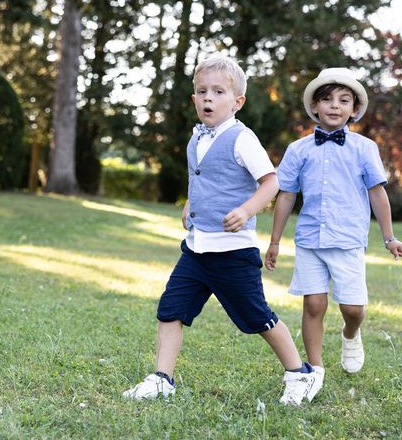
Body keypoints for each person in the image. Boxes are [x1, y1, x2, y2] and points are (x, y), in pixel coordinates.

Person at [123, 56, 316, 406]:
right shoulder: (197, 138)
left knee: (257, 316)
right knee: (171, 309)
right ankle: (162, 378)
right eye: (202, 91)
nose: (208, 98)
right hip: (196, 250)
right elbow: (202, 178)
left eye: (218, 92)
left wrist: (246, 210)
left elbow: (271, 182)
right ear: (193, 99)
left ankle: (299, 373)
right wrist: (189, 203)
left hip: (232, 253)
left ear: (237, 101)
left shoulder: (242, 139)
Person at [264, 67, 402, 402]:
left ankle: (350, 333)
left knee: (353, 308)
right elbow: (286, 195)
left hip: (348, 239)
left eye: (343, 100)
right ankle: (315, 370)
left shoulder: (364, 148)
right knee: (313, 304)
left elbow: (377, 194)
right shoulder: (298, 150)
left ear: (354, 109)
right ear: (314, 106)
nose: (335, 106)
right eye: (327, 100)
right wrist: (274, 241)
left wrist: (388, 237)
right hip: (310, 239)